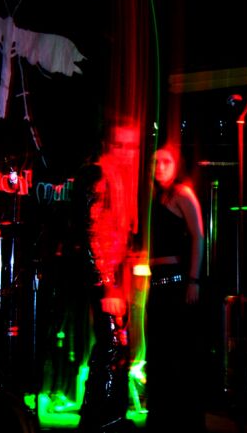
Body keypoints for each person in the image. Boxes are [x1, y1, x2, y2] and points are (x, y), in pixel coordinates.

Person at [146, 142, 206, 433]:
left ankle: (180, 421)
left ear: (177, 165)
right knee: (158, 353)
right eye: (155, 162)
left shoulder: (182, 193)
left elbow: (198, 236)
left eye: (166, 161)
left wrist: (193, 280)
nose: (160, 167)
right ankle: (161, 418)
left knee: (175, 354)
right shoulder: (155, 196)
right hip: (157, 283)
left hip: (177, 284)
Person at [73, 146, 134, 433]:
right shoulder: (97, 177)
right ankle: (102, 419)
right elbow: (92, 230)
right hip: (103, 278)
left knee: (113, 346)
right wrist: (107, 283)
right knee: (111, 347)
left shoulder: (106, 177)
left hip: (106, 276)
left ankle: (103, 416)